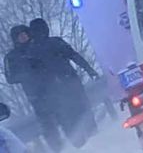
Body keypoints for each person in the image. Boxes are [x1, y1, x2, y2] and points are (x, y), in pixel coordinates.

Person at [27, 19, 97, 148]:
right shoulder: (56, 42)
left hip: (53, 92)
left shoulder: (31, 52)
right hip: (70, 82)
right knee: (83, 109)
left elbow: (33, 77)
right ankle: (96, 137)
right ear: (46, 28)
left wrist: (40, 95)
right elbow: (75, 56)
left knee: (66, 118)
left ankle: (79, 144)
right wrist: (89, 70)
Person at [4, 25, 62, 152]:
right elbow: (10, 78)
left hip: (53, 88)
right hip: (35, 95)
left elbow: (53, 63)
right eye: (19, 35)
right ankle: (57, 148)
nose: (23, 37)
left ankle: (78, 142)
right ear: (15, 39)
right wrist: (26, 72)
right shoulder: (11, 57)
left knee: (63, 114)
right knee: (47, 123)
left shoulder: (39, 47)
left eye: (25, 33)